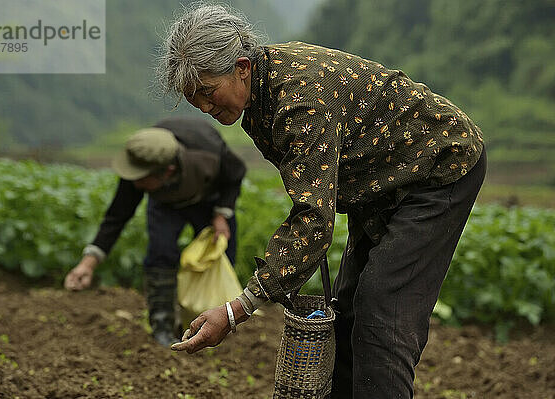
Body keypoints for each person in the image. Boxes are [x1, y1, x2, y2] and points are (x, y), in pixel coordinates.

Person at [161, 4, 486, 399]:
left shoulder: (299, 99)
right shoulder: (259, 97)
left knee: (383, 309)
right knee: (347, 308)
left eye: (208, 93)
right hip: (379, 179)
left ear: (241, 68)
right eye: (194, 99)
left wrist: (237, 310)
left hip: (436, 167)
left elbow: (313, 218)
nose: (206, 108)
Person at [64, 117, 247, 346]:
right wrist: (88, 264)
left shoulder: (208, 154)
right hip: (165, 205)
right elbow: (117, 216)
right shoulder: (140, 163)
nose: (135, 184)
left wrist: (222, 215)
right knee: (160, 254)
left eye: (142, 180)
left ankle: (216, 327)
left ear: (167, 171)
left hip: (209, 200)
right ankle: (163, 328)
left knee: (220, 256)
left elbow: (235, 175)